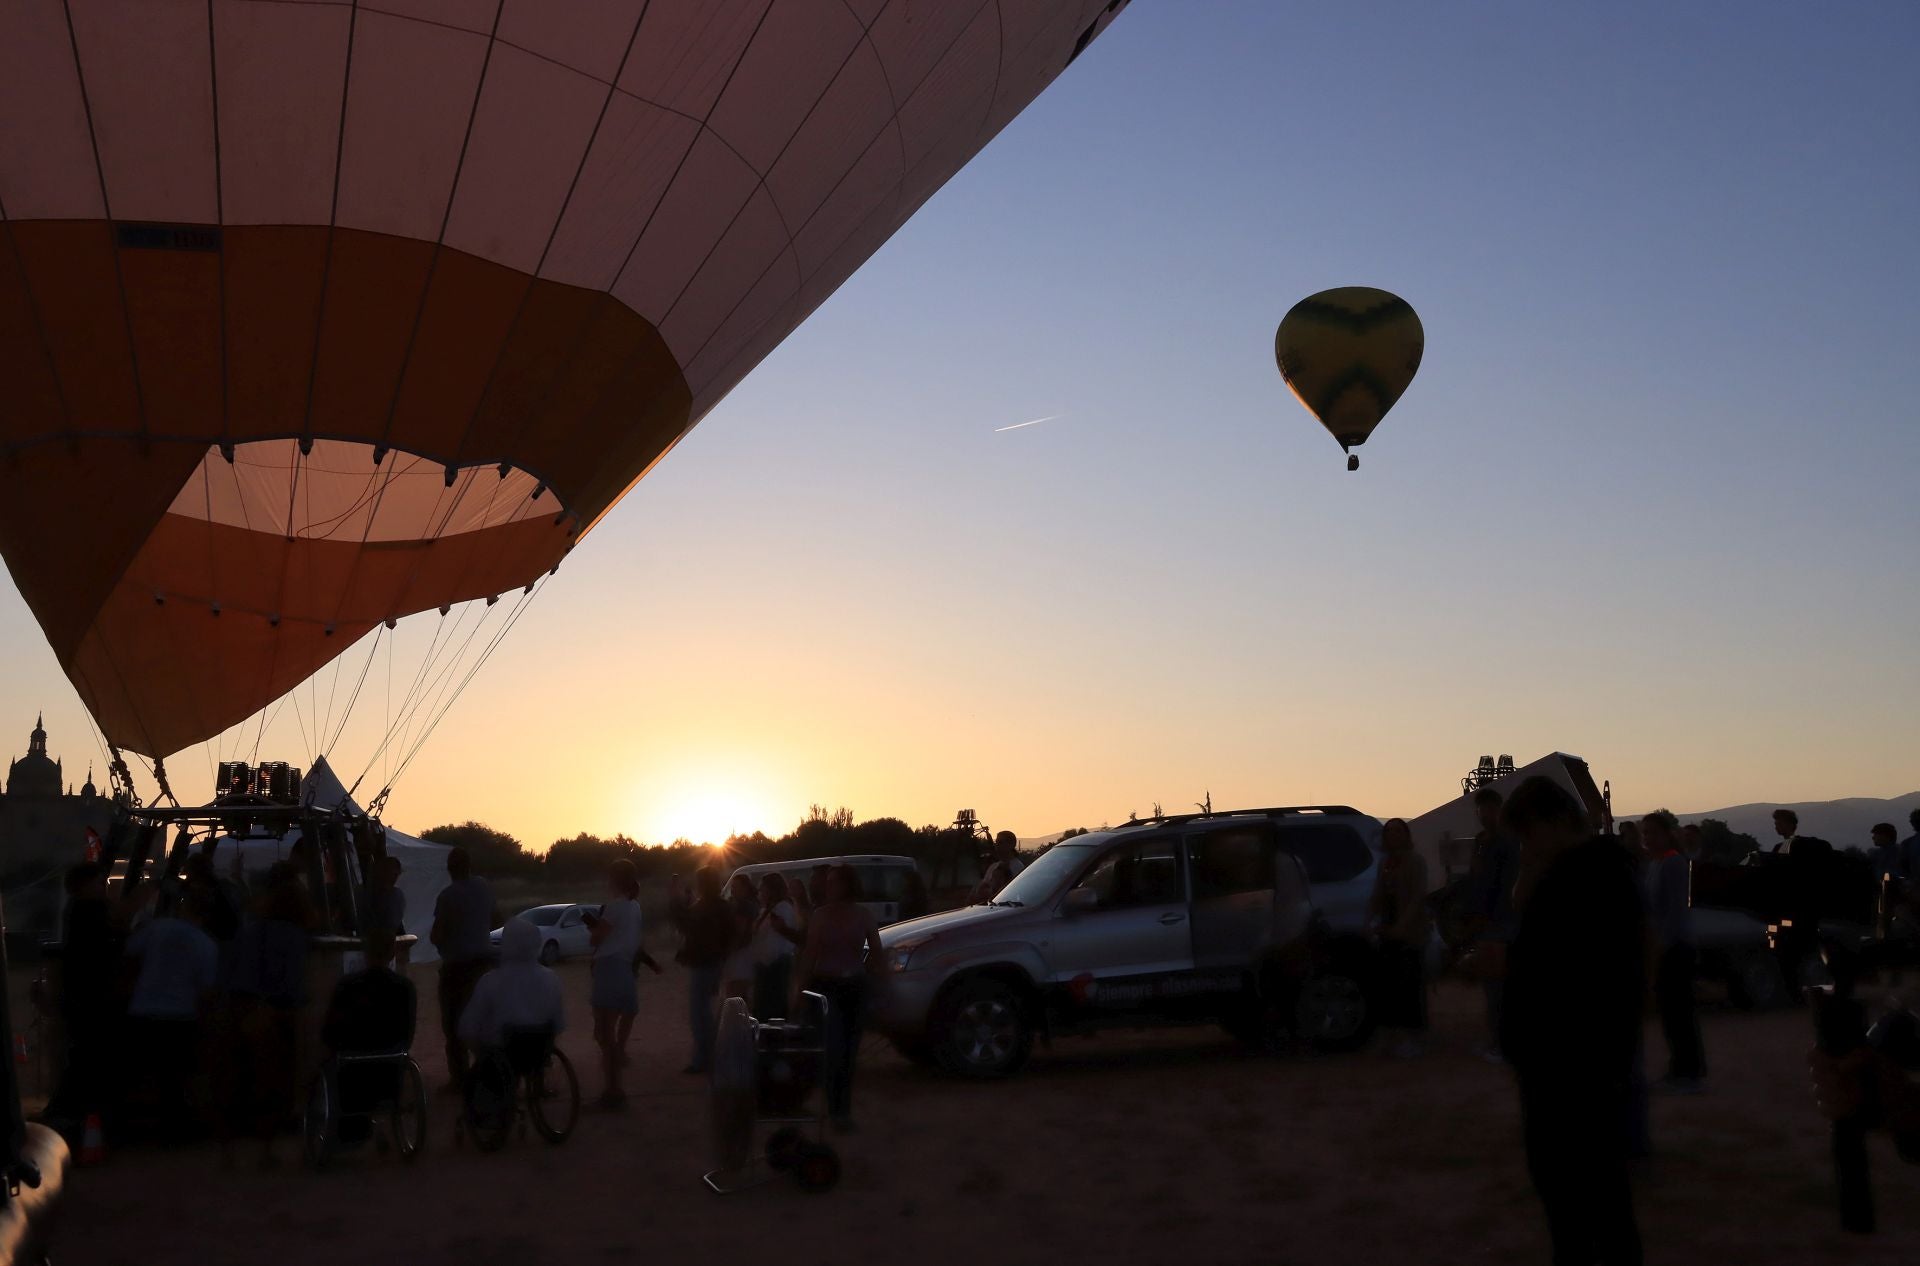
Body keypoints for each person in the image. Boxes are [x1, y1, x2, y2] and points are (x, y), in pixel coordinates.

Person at [1500, 776, 1645, 1266]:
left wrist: (1509, 966)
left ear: (1559, 821)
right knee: (1573, 1188)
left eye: (1529, 833)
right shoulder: (1569, 872)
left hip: (1576, 1060)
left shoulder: (1591, 877)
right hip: (1561, 1058)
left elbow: (1578, 968)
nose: (1527, 845)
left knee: (1586, 1190)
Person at [230, 863, 313, 1166]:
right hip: (276, 1010)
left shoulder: (250, 930)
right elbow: (291, 982)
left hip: (244, 1006)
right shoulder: (294, 937)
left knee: (245, 1076)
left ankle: (233, 1151)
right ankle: (268, 1148)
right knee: (277, 1081)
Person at [794, 864, 885, 1131]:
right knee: (831, 1050)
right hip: (826, 988)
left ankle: (841, 1111)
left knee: (849, 1053)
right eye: (828, 882)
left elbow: (877, 952)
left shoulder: (864, 915)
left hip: (854, 988)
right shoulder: (820, 916)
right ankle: (832, 1109)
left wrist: (880, 983)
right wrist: (799, 990)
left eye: (834, 882)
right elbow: (810, 955)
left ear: (847, 885)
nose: (828, 886)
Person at [124, 892, 219, 1137]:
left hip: (143, 1011)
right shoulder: (206, 945)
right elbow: (207, 991)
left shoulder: (157, 928)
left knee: (143, 1073)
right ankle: (174, 1129)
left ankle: (135, 1126)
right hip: (181, 1016)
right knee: (176, 1076)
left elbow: (129, 950)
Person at [47, 862, 121, 1134]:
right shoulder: (88, 911)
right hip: (90, 999)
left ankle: (72, 1112)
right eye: (99, 883)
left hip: (83, 997)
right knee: (88, 1058)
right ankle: (77, 1115)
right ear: (83, 886)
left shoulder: (77, 911)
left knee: (83, 1057)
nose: (105, 888)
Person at [1643, 810, 1705, 1094]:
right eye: (1645, 833)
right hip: (1663, 945)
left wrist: (1660, 947)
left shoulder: (1673, 863)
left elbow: (1672, 913)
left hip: (1675, 947)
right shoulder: (1655, 864)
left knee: (1679, 1012)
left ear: (1667, 834)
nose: (1647, 838)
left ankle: (1690, 1072)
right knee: (1670, 1013)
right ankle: (1679, 1067)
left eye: (1653, 833)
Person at [430, 847, 498, 1093]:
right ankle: (487, 1071)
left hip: (458, 967)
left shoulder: (447, 896)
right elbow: (496, 917)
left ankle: (459, 1079)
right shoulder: (483, 887)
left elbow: (437, 934)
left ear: (449, 869)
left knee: (453, 1024)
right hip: (485, 962)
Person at [1463, 787, 1521, 1062]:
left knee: (1500, 985)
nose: (1485, 814)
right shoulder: (1481, 841)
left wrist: (1488, 914)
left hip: (1500, 923)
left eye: (1489, 808)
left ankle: (1503, 1043)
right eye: (1481, 809)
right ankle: (1497, 1040)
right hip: (1485, 922)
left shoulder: (1507, 841)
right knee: (1491, 985)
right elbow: (1476, 880)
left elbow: (1505, 884)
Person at [1367, 818, 1430, 1057]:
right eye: (1388, 831)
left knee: (1410, 985)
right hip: (1388, 931)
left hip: (1411, 933)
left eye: (1397, 830)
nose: (1392, 835)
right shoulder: (1385, 863)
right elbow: (1377, 895)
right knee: (1389, 984)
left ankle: (1414, 1038)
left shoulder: (1416, 862)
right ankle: (1392, 1035)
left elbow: (1417, 898)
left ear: (1406, 834)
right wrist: (1370, 921)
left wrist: (1402, 927)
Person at [458, 917, 565, 1052]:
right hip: (538, 1054)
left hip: (501, 1056)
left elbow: (467, 1027)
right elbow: (559, 1025)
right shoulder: (552, 979)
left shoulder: (490, 981)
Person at [588, 859, 644, 1109]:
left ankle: (613, 1089)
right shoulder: (635, 907)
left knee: (603, 1033)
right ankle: (614, 1084)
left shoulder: (614, 907)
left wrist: (594, 929)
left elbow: (596, 939)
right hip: (623, 968)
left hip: (609, 969)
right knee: (606, 1033)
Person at [672, 866, 734, 1074]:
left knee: (700, 1015)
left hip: (705, 964)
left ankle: (704, 1060)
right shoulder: (719, 906)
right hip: (712, 963)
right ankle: (709, 1058)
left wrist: (676, 901)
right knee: (704, 1013)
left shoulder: (707, 906)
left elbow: (687, 926)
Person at [750, 873, 799, 1020]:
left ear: (771, 889)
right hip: (765, 967)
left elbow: (783, 936)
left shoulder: (783, 908)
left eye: (762, 888)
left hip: (776, 966)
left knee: (773, 1010)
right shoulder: (767, 910)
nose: (759, 892)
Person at [722, 872, 759, 1001]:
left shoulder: (743, 906)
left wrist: (728, 951)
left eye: (735, 887)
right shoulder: (751, 903)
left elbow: (740, 932)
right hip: (747, 953)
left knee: (734, 996)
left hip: (741, 954)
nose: (732, 890)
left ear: (744, 888)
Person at [973, 832, 1025, 903]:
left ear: (1011, 845)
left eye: (1000, 842)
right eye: (996, 842)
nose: (996, 845)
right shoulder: (993, 867)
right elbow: (981, 888)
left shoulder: (1019, 868)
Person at [368, 856, 407, 937]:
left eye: (396, 874)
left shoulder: (395, 895)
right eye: (394, 874)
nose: (395, 878)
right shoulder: (395, 895)